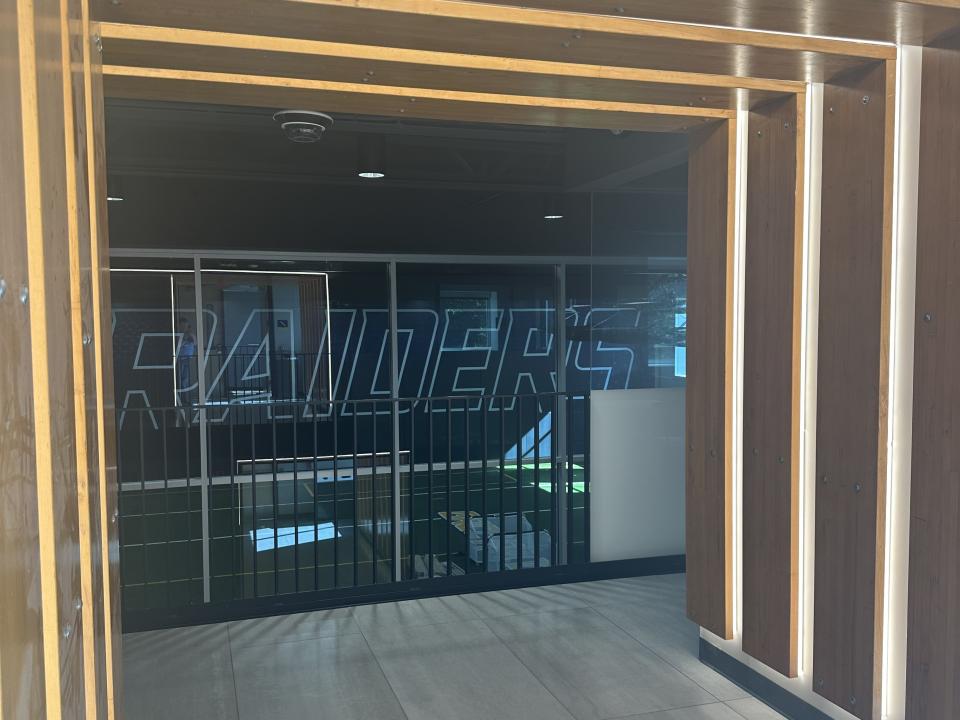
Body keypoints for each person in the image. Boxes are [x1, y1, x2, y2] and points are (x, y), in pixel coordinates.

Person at [176, 317, 197, 401]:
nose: (184, 328)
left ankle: (186, 398)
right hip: (180, 359)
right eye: (182, 326)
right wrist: (184, 341)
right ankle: (181, 397)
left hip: (188, 359)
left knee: (186, 379)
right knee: (180, 379)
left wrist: (190, 334)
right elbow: (178, 345)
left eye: (186, 326)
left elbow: (195, 343)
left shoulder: (190, 335)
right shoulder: (178, 335)